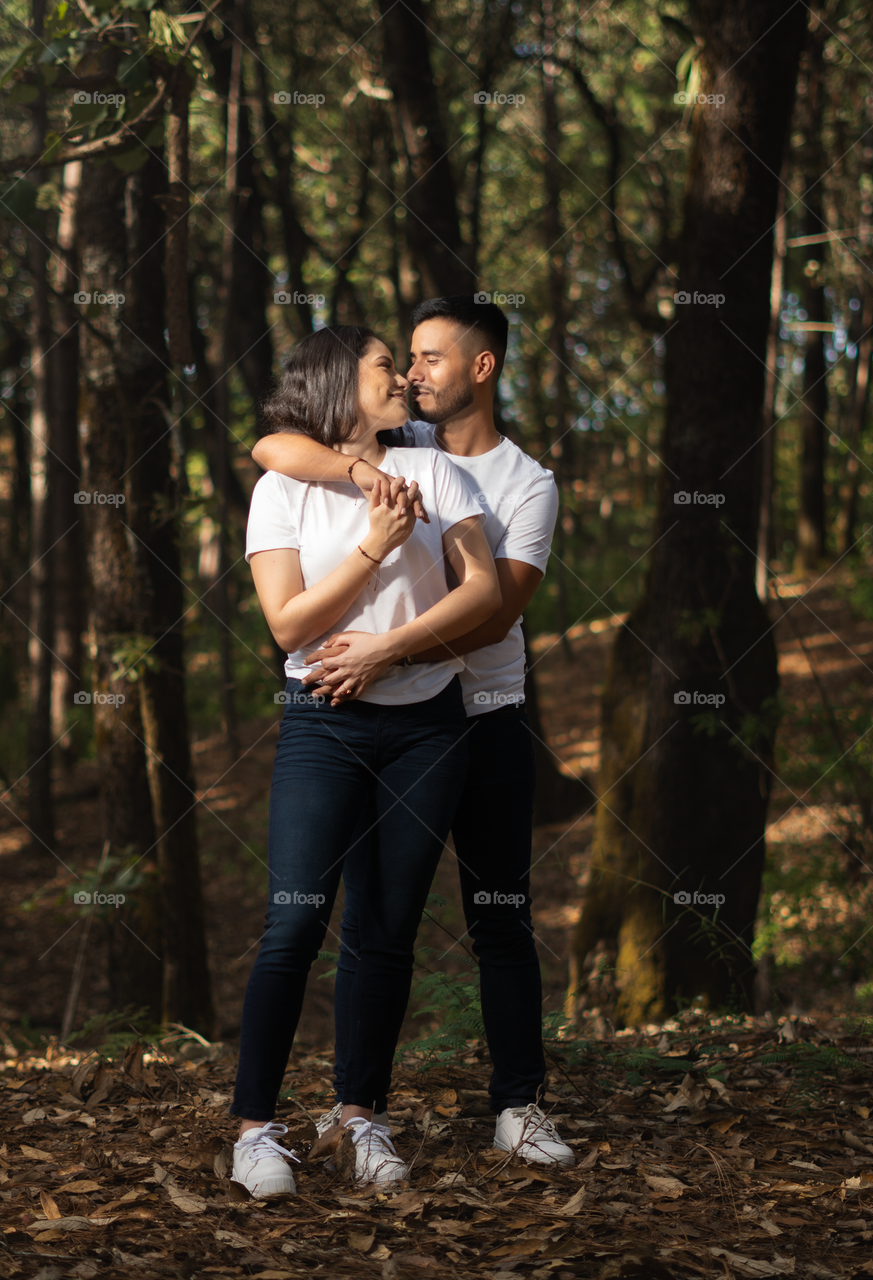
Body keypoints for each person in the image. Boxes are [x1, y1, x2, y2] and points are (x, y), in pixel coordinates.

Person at [251, 295, 574, 1167]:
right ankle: (359, 1111)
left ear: (482, 368)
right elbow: (274, 445)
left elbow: (496, 610)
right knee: (371, 921)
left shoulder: (526, 482)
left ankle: (520, 1107)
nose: (412, 373)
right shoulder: (408, 451)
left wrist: (384, 654)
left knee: (499, 914)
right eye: (404, 359)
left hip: (482, 716)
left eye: (430, 358)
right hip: (388, 719)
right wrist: (360, 479)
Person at [231, 324, 501, 1196]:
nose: (403, 377)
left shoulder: (434, 466)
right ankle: (256, 1129)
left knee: (385, 935)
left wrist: (392, 651)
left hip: (429, 727)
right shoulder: (281, 490)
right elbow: (289, 626)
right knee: (295, 924)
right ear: (339, 383)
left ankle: (360, 1117)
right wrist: (373, 545)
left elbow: (484, 591)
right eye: (387, 364)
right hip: (322, 723)